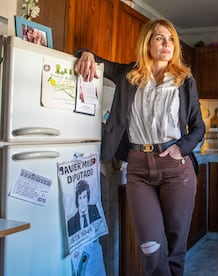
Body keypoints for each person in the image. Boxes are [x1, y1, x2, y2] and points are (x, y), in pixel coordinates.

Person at [75, 18, 205, 276]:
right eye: (159, 38)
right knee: (150, 245)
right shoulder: (129, 75)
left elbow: (198, 127)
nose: (166, 44)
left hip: (176, 167)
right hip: (138, 166)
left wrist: (181, 149)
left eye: (170, 39)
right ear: (148, 42)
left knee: (175, 245)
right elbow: (96, 62)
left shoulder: (184, 81)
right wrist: (85, 54)